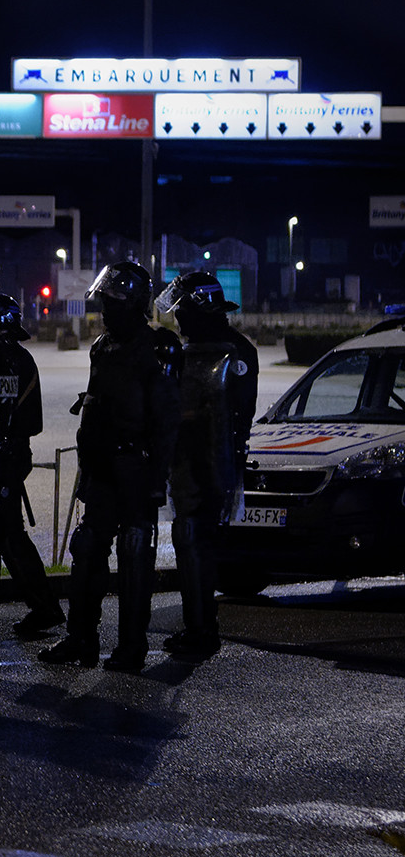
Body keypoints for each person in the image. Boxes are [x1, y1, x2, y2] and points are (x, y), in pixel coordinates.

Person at [40, 261, 181, 673]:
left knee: (135, 556)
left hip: (135, 466)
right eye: (103, 299)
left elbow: (167, 421)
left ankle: (131, 646)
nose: (104, 307)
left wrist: (158, 479)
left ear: (134, 303)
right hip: (101, 467)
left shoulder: (158, 347)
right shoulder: (103, 346)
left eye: (112, 300)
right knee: (86, 551)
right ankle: (80, 638)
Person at [156, 271, 258, 662]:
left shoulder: (234, 351)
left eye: (181, 311)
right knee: (188, 541)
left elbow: (233, 414)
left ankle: (203, 628)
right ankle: (197, 624)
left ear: (198, 309)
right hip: (186, 460)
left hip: (214, 460)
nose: (178, 321)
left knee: (197, 542)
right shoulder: (192, 349)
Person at [0, 293, 62, 639]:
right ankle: (40, 609)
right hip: (6, 458)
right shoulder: (12, 357)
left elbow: (5, 415)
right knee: (4, 537)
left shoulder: (7, 360)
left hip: (1, 459)